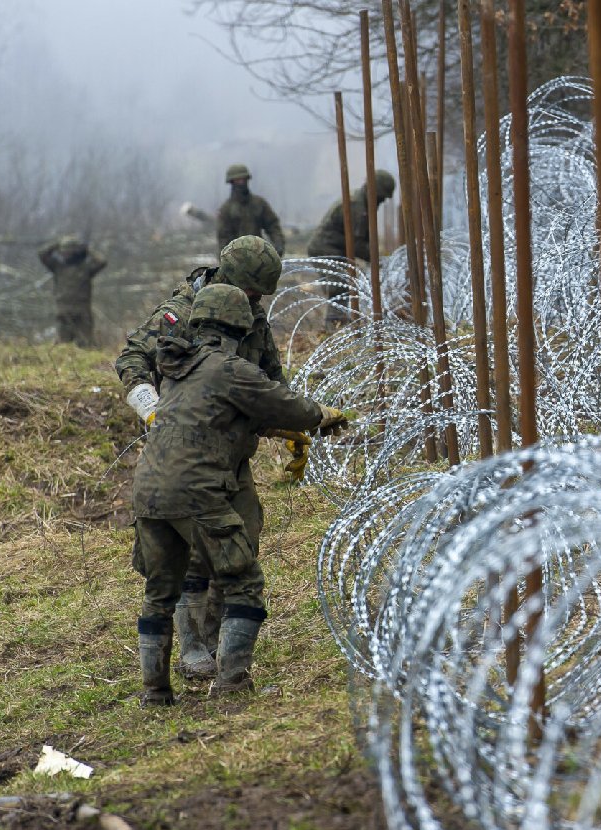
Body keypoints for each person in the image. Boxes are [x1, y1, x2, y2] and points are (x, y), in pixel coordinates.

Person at [130, 283, 347, 704]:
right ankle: (232, 683)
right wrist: (321, 415)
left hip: (148, 490)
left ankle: (155, 692)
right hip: (196, 491)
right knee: (243, 581)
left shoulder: (176, 369)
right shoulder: (229, 369)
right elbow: (284, 404)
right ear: (238, 327)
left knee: (159, 590)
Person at [115, 235, 287, 682]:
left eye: (261, 295)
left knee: (241, 544)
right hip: (183, 455)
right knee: (191, 555)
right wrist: (152, 409)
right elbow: (132, 359)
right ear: (231, 279)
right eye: (251, 291)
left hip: (232, 454)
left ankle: (216, 644)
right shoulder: (181, 313)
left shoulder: (253, 319)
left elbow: (271, 380)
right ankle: (192, 647)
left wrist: (285, 421)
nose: (256, 301)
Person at [306, 170, 396, 327]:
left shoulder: (364, 203)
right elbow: (357, 244)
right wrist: (376, 260)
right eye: (381, 197)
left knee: (341, 285)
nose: (382, 202)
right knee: (339, 285)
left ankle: (338, 321)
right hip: (326, 248)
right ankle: (334, 325)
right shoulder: (357, 207)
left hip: (336, 248)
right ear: (374, 191)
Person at [38, 235, 106, 347]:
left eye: (69, 252)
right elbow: (42, 254)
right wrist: (57, 244)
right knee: (64, 344)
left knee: (86, 344)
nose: (65, 254)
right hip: (64, 311)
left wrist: (87, 249)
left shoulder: (85, 268)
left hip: (81, 311)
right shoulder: (58, 266)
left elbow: (102, 262)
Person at [216, 163, 285, 257]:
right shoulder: (226, 209)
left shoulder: (259, 204)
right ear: (232, 182)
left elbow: (273, 226)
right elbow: (223, 238)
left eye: (243, 179)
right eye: (238, 180)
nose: (241, 183)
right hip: (237, 258)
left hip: (259, 255)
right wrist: (227, 259)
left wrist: (278, 244)